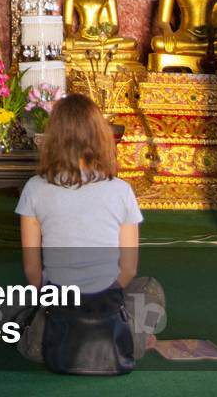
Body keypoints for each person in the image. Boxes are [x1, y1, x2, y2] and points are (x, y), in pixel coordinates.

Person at [15, 93, 165, 366]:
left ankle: (43, 333)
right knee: (150, 289)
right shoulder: (121, 191)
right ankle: (134, 336)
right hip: (109, 335)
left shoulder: (34, 189)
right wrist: (101, 297)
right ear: (100, 136)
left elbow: (32, 271)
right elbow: (128, 270)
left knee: (12, 298)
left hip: (51, 338)